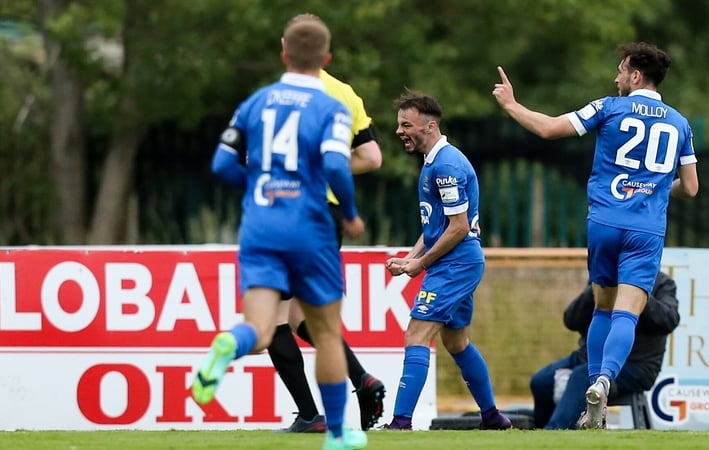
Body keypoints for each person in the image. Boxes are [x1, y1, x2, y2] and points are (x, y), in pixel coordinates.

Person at [493, 41, 699, 429]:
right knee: (627, 313)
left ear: (635, 75)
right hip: (645, 230)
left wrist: (511, 105)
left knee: (602, 308)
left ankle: (593, 397)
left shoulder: (608, 107)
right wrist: (657, 188)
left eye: (621, 70)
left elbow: (549, 128)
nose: (616, 77)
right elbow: (690, 187)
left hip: (604, 222)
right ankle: (604, 381)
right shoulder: (680, 123)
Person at [194, 14, 368, 450]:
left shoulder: (255, 102)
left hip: (261, 227)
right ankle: (336, 435)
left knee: (261, 327)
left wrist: (259, 189)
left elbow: (221, 163)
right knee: (325, 332)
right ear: (326, 59)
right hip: (310, 227)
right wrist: (349, 213)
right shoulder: (331, 107)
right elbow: (335, 165)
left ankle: (229, 344)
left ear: (283, 53)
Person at [383, 91, 511, 431]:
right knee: (456, 342)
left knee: (416, 334)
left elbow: (458, 227)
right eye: (399, 125)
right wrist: (410, 258)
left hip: (456, 265)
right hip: (456, 263)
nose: (399, 131)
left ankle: (400, 423)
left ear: (430, 126)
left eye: (406, 125)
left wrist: (421, 264)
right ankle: (492, 417)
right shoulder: (434, 162)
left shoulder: (446, 165)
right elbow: (436, 226)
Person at [268, 68, 386, 434]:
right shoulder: (345, 93)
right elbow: (372, 157)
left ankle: (309, 416)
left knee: (272, 319)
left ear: (285, 50)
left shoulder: (279, 96)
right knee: (300, 316)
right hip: (328, 215)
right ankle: (362, 379)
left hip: (291, 210)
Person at [530, 271, 679, 429]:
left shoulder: (663, 283)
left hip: (635, 366)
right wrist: (598, 291)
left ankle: (557, 430)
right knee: (541, 381)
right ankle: (540, 429)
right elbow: (571, 320)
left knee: (581, 377)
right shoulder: (604, 276)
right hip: (587, 357)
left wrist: (636, 294)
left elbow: (670, 320)